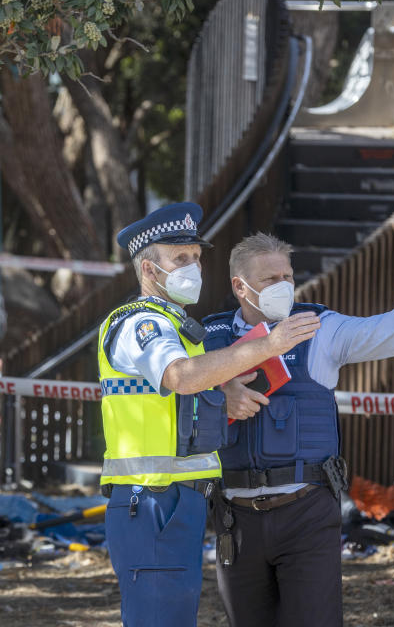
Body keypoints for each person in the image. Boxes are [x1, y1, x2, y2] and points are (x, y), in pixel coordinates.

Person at [202, 232, 394, 627]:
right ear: (239, 287)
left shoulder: (318, 328)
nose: (283, 286)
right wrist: (218, 396)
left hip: (305, 513)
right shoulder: (209, 339)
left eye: (288, 276)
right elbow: (173, 397)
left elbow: (381, 333)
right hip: (234, 518)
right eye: (269, 279)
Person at [99, 204, 322, 627]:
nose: (194, 267)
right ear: (149, 269)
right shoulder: (143, 324)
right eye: (180, 259)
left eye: (197, 258)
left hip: (173, 499)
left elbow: (183, 390)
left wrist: (225, 389)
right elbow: (180, 377)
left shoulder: (176, 324)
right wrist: (265, 347)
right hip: (149, 500)